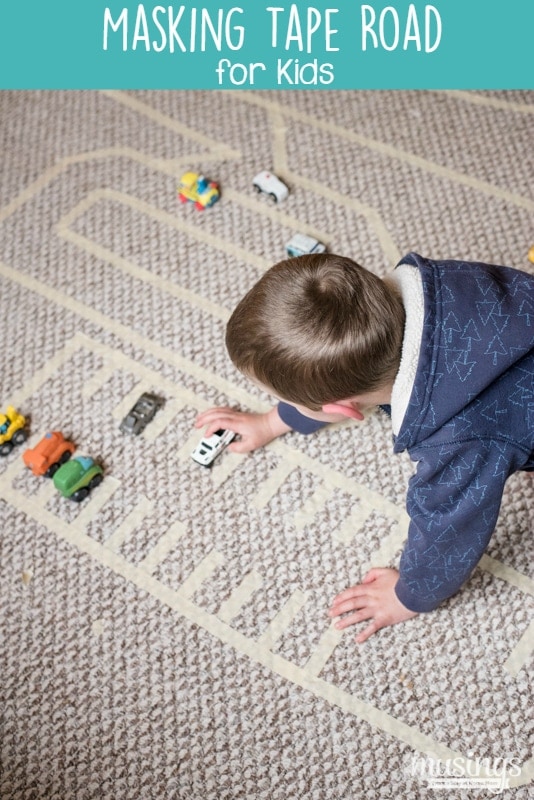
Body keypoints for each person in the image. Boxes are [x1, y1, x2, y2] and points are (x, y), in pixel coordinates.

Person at [195, 252, 534, 642]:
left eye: (290, 403)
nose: (284, 406)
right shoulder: (442, 282)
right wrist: (273, 422)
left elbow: (449, 531)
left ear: (344, 409)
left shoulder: (456, 442)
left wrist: (409, 595)